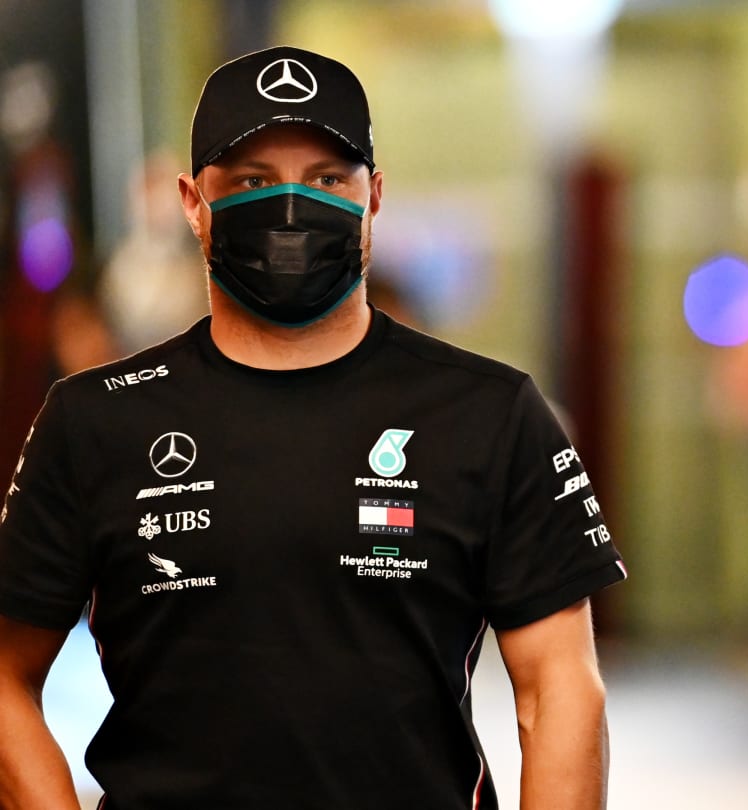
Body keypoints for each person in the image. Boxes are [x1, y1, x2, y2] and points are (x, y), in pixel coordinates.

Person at [0, 45, 626, 809]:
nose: (291, 209)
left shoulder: (489, 415)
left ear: (375, 195)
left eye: (327, 179)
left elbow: (560, 689)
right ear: (193, 202)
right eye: (253, 182)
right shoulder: (95, 421)